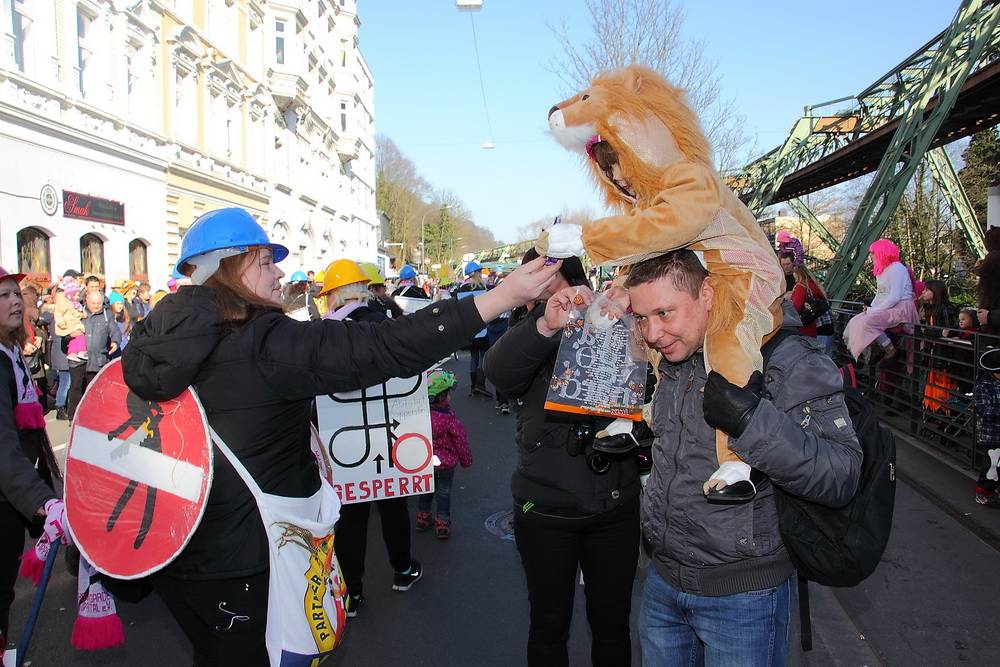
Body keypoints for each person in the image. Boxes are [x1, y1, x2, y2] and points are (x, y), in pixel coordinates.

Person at [120, 208, 560, 663]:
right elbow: (385, 346)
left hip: (182, 555)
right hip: (259, 561)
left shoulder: (146, 346)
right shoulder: (264, 341)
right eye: (265, 261)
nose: (280, 274)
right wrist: (502, 296)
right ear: (230, 265)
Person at [610, 250, 861, 666]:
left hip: (744, 597)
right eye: (642, 317)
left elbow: (842, 474)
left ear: (707, 293)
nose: (652, 333)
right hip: (663, 582)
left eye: (665, 313)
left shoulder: (784, 357)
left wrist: (750, 422)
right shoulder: (674, 356)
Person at [484, 249, 640, 667]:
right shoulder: (531, 330)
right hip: (546, 506)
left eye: (549, 276)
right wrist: (546, 326)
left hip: (615, 502)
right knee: (549, 626)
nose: (541, 287)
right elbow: (498, 374)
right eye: (531, 278)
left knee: (612, 626)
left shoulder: (618, 321)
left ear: (575, 278)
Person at [0, 266, 67, 655]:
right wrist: (40, 500)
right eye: (4, 296)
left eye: (16, 294)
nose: (15, 301)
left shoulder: (11, 350)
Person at [843, 239, 920, 366]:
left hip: (901, 308)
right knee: (855, 321)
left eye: (873, 253)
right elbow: (880, 294)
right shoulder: (882, 270)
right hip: (891, 306)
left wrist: (873, 310)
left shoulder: (897, 268)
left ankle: (888, 348)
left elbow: (895, 296)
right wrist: (871, 307)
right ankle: (875, 349)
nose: (871, 256)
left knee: (866, 321)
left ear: (881, 252)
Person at [415, 369, 471, 540]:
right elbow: (460, 440)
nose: (450, 397)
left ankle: (423, 518)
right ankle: (442, 524)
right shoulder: (449, 419)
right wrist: (466, 460)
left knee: (426, 491)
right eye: (447, 394)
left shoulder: (420, 417)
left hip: (425, 463)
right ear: (440, 397)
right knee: (443, 493)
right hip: (446, 465)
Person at [67, 290, 121, 419]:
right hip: (79, 358)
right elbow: (63, 330)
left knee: (95, 389)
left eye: (99, 303)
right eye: (93, 303)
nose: (96, 306)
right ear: (87, 301)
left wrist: (115, 341)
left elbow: (115, 331)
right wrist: (69, 335)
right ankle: (74, 416)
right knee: (76, 388)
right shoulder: (77, 312)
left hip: (98, 358)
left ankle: (94, 415)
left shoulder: (107, 315)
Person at [919, 280, 959, 415]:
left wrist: (930, 331)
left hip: (943, 354)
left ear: (935, 291)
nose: (923, 292)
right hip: (933, 352)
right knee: (933, 382)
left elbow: (947, 331)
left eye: (926, 290)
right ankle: (933, 410)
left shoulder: (945, 309)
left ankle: (943, 412)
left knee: (943, 383)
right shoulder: (929, 308)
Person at [454, 261, 493, 398]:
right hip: (482, 325)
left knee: (473, 356)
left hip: (468, 328)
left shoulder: (460, 289)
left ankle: (473, 387)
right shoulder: (483, 287)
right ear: (476, 273)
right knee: (483, 355)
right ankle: (480, 384)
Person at [974, 349, 1000, 508]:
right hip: (991, 433)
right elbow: (983, 410)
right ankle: (984, 490)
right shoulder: (983, 386)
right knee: (992, 464)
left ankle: (994, 489)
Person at [109, 291, 132, 355]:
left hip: (125, 349)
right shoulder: (109, 318)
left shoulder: (124, 317)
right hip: (115, 350)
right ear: (112, 304)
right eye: (117, 303)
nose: (120, 306)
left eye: (121, 304)